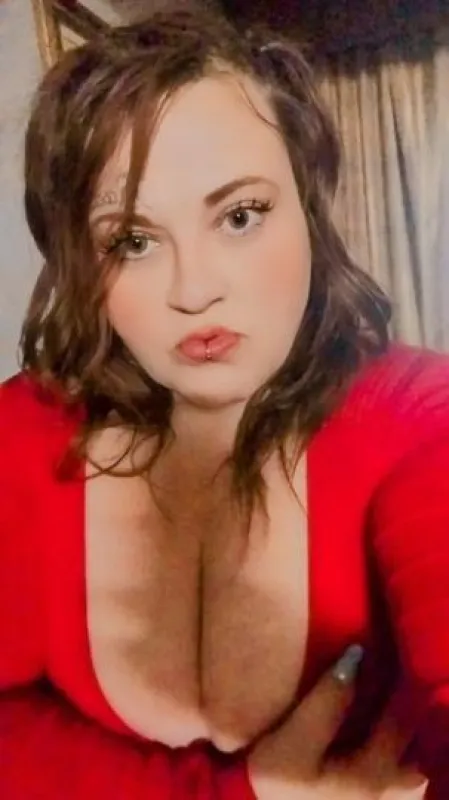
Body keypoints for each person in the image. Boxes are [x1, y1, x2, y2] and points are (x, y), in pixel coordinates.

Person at [0, 6, 447, 798]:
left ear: (308, 207)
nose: (195, 289)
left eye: (240, 216)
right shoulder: (24, 434)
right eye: (132, 241)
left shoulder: (416, 419)